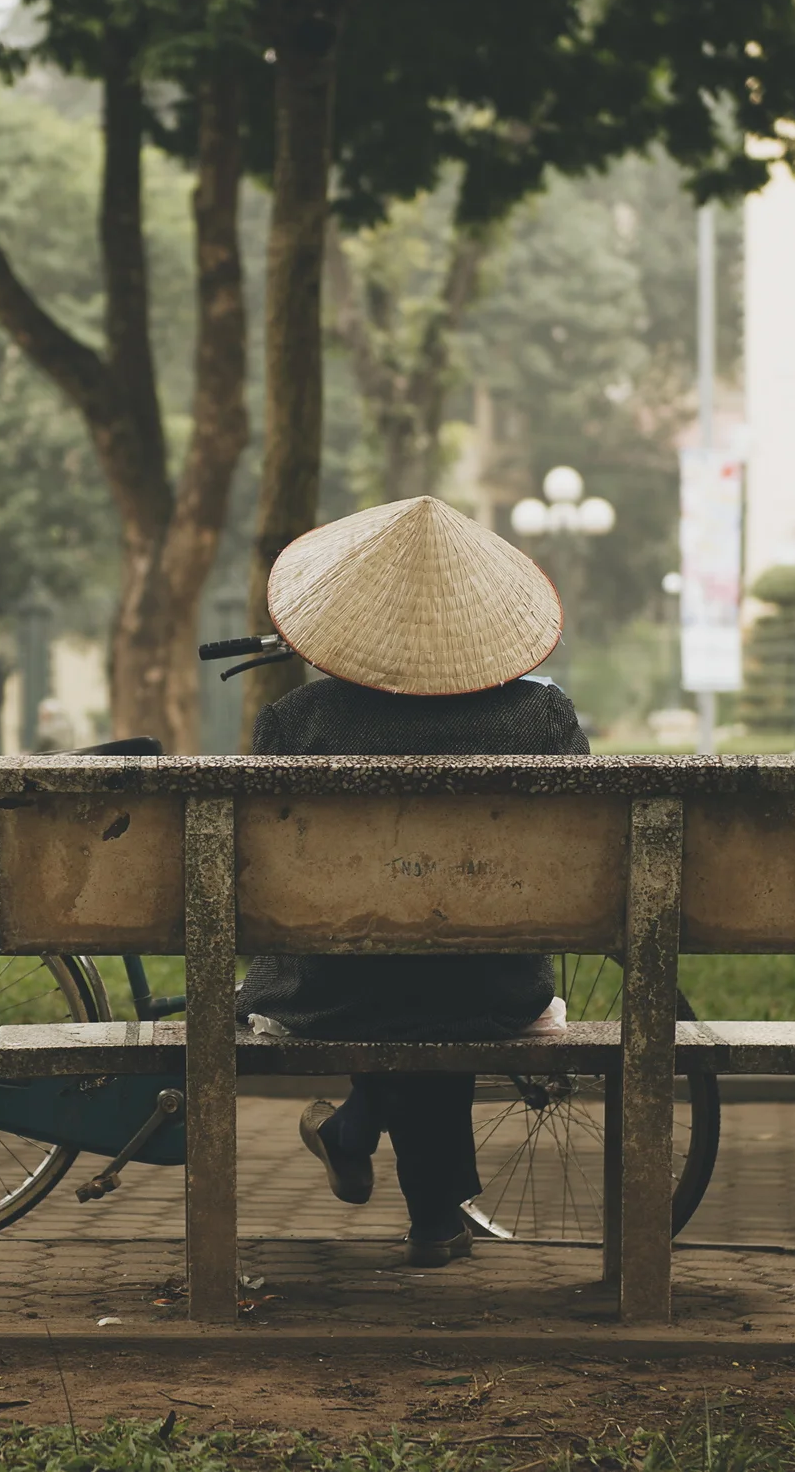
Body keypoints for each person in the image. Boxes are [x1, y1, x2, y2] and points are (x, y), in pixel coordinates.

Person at [233, 494, 580, 1268]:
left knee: (387, 960)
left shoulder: (297, 721)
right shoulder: (542, 719)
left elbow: (264, 872)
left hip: (333, 989)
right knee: (440, 963)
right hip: (495, 985)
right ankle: (423, 1208)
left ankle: (363, 1133)